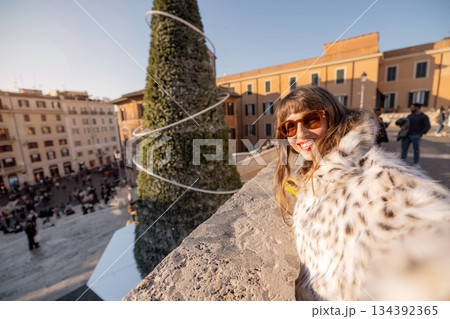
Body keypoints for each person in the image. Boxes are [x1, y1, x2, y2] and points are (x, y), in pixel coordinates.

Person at [273, 86, 450, 300]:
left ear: (332, 117)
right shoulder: (316, 173)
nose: (300, 134)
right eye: (289, 127)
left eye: (311, 120)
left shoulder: (379, 177)